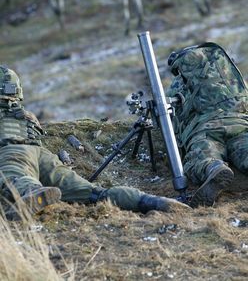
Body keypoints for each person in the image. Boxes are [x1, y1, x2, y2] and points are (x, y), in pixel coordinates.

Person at [0, 65, 188, 219]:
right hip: (42, 157)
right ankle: (148, 201)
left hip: (12, 155)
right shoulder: (26, 116)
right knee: (92, 193)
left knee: (12, 178)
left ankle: (33, 193)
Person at [166, 42, 248, 208]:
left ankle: (214, 168)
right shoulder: (227, 72)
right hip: (238, 123)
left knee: (203, 154)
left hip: (205, 129)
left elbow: (172, 122)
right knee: (244, 147)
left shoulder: (177, 84)